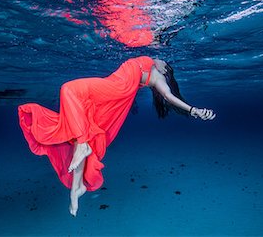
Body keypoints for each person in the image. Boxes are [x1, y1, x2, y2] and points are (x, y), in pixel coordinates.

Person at [18, 56, 215, 216]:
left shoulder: (159, 77)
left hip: (115, 88)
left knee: (68, 89)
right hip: (111, 87)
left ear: (165, 70)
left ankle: (83, 147)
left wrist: (192, 110)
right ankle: (76, 190)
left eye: (165, 63)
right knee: (80, 134)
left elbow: (169, 97)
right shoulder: (152, 65)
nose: (162, 59)